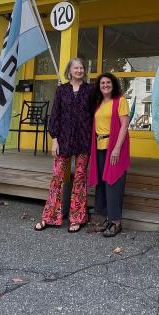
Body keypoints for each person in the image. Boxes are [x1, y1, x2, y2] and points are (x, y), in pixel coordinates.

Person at [36, 58, 92, 233]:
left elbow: (96, 113)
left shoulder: (90, 90)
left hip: (84, 140)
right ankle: (50, 216)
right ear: (70, 70)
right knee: (57, 178)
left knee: (80, 178)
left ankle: (77, 217)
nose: (79, 70)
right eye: (76, 68)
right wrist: (54, 139)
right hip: (63, 140)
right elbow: (55, 116)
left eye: (81, 68)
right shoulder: (61, 90)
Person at [88, 72, 131, 238]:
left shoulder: (120, 101)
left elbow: (124, 125)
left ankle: (116, 222)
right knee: (103, 183)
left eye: (108, 82)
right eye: (102, 83)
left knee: (114, 183)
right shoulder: (99, 103)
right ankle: (108, 218)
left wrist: (117, 148)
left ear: (113, 84)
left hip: (114, 147)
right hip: (99, 147)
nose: (105, 85)